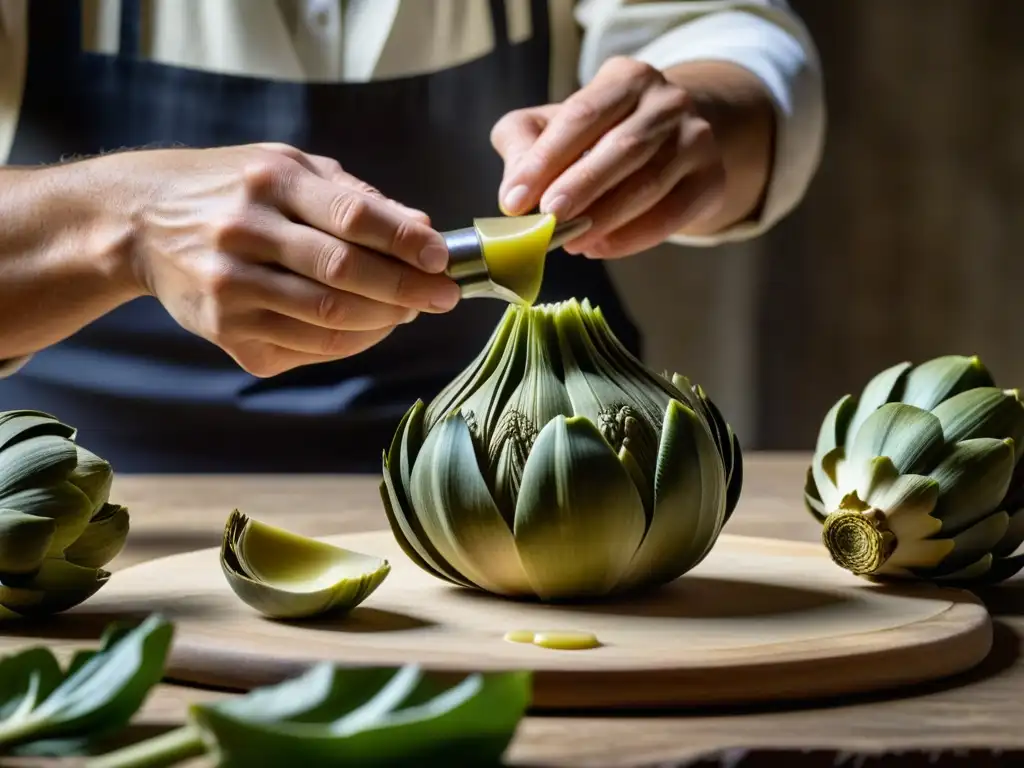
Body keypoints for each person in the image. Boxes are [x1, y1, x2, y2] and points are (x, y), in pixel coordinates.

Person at [0, 0, 824, 473]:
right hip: (85, 504)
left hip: (537, 485)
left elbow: (727, 38)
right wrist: (121, 219)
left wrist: (692, 120)